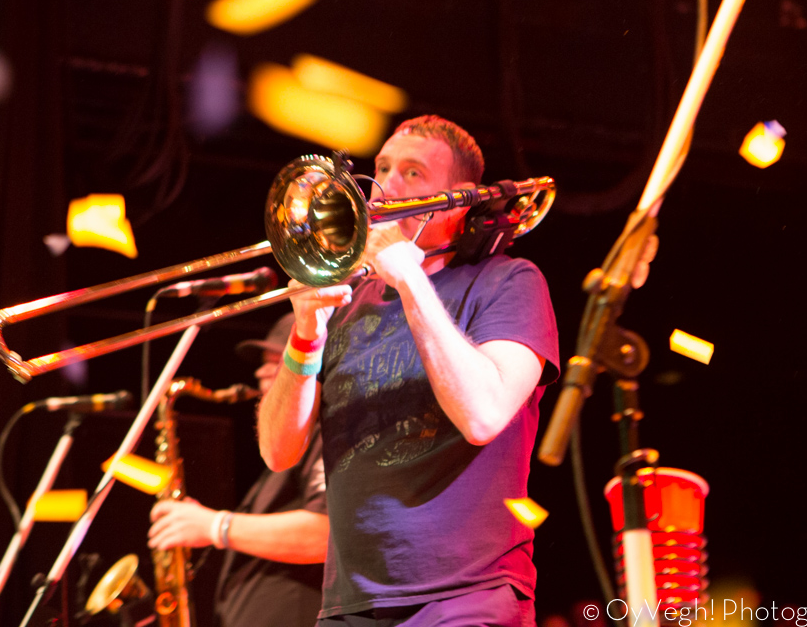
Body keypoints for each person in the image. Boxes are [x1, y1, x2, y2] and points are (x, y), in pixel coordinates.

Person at [258, 115, 560, 627]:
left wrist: (407, 276)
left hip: (466, 597)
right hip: (349, 605)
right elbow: (277, 452)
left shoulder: (510, 281)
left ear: (459, 201)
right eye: (382, 168)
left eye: (413, 173)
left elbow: (483, 415)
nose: (385, 187)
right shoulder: (349, 301)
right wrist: (305, 330)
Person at [148, 313, 329, 627]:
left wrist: (215, 525)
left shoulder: (326, 435)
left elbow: (324, 535)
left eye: (279, 360)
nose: (260, 371)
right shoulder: (287, 451)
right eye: (263, 362)